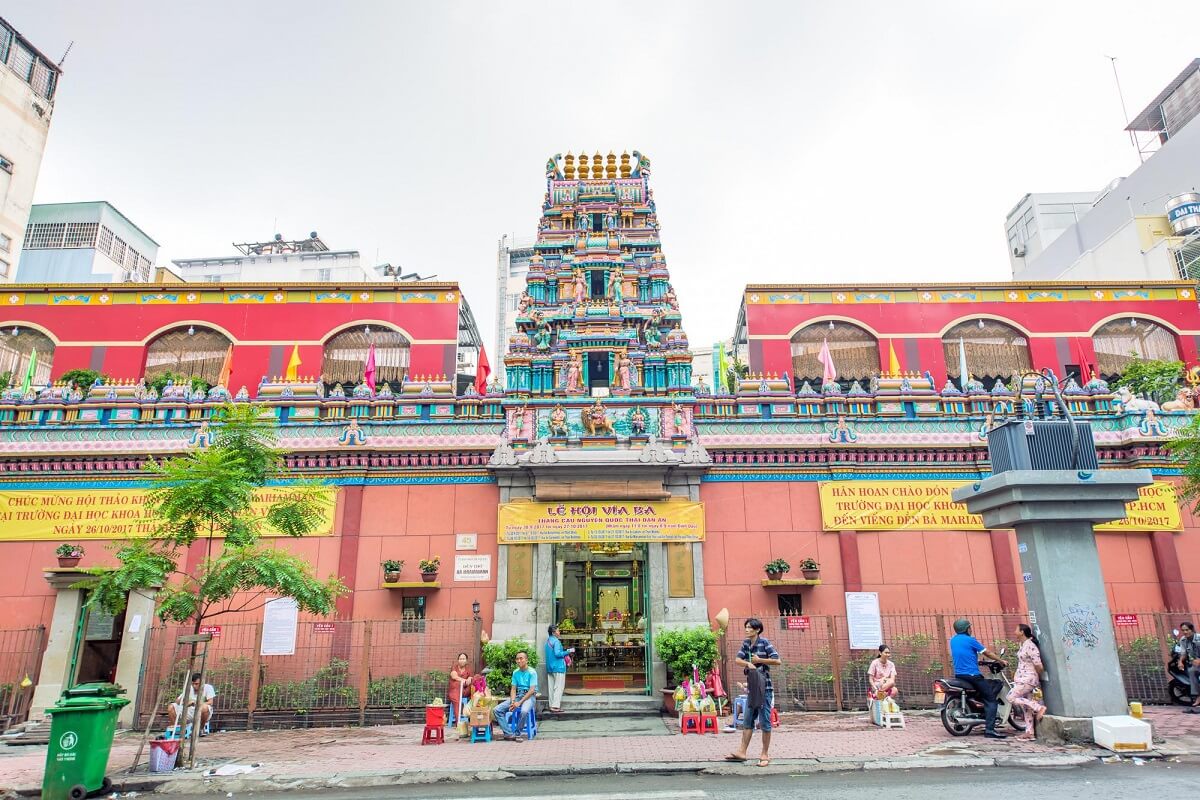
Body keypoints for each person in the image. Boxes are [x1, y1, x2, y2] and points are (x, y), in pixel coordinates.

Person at [726, 618, 781, 767]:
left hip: (765, 688)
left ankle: (765, 754)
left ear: (757, 630)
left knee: (764, 721)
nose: (747, 629)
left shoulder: (764, 643)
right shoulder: (746, 644)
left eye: (750, 627)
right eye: (746, 627)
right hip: (752, 687)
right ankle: (742, 752)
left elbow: (777, 660)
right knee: (748, 719)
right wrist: (748, 663)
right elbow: (738, 659)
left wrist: (760, 660)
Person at [950, 618, 1007, 739]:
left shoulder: (953, 640)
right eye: (969, 627)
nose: (971, 629)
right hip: (972, 675)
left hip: (959, 675)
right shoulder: (971, 640)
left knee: (980, 692)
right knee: (991, 699)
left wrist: (978, 661)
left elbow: (964, 654)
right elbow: (987, 653)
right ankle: (990, 730)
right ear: (966, 629)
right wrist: (1000, 660)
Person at [1006, 623, 1046, 740]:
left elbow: (1038, 664)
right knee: (1026, 707)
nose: (1014, 632)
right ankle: (1029, 732)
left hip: (1028, 679)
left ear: (1022, 631)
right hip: (1022, 678)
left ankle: (1038, 707)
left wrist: (1036, 675)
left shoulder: (1030, 646)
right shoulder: (1023, 645)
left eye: (1016, 629)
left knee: (1011, 697)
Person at [493, 650, 538, 741]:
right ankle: (509, 734)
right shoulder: (515, 672)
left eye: (521, 658)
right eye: (517, 659)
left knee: (524, 711)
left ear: (526, 660)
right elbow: (513, 689)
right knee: (497, 710)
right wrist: (513, 702)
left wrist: (519, 703)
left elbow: (532, 690)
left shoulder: (532, 672)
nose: (519, 661)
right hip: (518, 696)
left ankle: (517, 733)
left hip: (529, 696)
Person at [545, 624, 575, 713]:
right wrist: (568, 651)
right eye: (558, 630)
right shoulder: (556, 641)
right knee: (559, 687)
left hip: (550, 667)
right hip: (558, 667)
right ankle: (555, 706)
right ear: (554, 632)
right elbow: (558, 654)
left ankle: (551, 705)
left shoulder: (548, 641)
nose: (559, 632)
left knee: (551, 687)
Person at [1176, 621, 1200, 712]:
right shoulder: (1183, 640)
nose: (1185, 632)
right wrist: (1180, 661)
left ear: (1192, 630)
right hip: (1196, 663)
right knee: (1191, 671)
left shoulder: (1199, 638)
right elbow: (1183, 653)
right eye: (1183, 630)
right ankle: (1198, 696)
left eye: (1187, 630)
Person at [447, 652, 473, 720]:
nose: (462, 660)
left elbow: (470, 679)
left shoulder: (469, 668)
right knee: (456, 684)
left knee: (474, 683)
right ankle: (458, 721)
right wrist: (464, 680)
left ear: (466, 660)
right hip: (455, 691)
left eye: (463, 659)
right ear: (458, 660)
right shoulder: (454, 667)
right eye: (460, 659)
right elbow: (454, 676)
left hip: (464, 691)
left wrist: (470, 678)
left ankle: (472, 718)